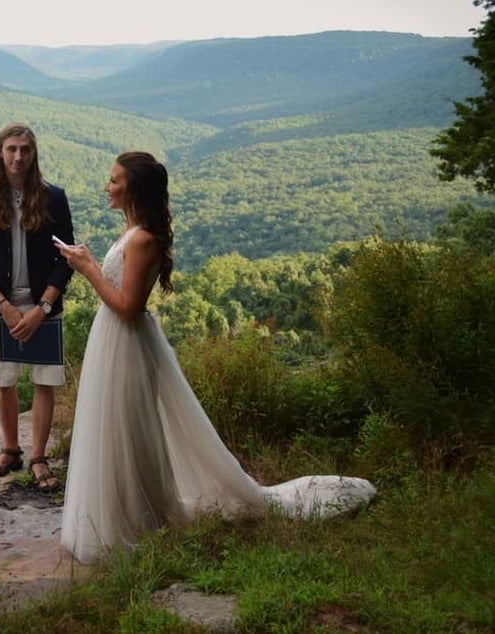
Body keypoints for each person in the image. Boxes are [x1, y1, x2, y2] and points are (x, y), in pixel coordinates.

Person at [56, 151, 376, 564]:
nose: (107, 186)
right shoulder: (132, 231)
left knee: (128, 427)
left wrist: (88, 268)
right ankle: (120, 513)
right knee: (114, 426)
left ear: (133, 189)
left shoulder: (144, 239)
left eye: (114, 180)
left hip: (126, 342)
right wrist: (91, 264)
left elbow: (128, 306)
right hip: (113, 341)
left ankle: (139, 517)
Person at [0, 123, 75, 493]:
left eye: (25, 149)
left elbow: (66, 259)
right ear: (0, 152)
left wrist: (42, 307)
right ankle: (10, 449)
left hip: (44, 305)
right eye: (11, 148)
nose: (18, 156)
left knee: (44, 382)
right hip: (1, 308)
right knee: (5, 379)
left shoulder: (53, 198)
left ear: (34, 154)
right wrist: (6, 307)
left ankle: (39, 456)